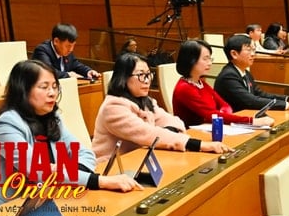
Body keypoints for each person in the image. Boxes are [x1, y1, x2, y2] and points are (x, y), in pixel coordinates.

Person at [0, 60, 142, 208]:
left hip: (47, 201)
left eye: (55, 86)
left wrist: (60, 171)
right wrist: (99, 181)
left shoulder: (52, 117)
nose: (52, 93)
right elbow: (39, 170)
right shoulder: (6, 124)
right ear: (23, 89)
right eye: (44, 87)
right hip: (6, 208)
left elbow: (86, 154)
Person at [92, 53, 231, 162]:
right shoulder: (113, 107)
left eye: (148, 75)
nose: (147, 80)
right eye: (141, 75)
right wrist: (201, 145)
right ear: (123, 77)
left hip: (141, 161)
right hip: (113, 167)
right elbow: (148, 134)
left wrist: (164, 133)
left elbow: (175, 122)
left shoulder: (146, 101)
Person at [172, 40, 274, 128]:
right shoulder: (184, 88)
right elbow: (210, 114)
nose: (209, 63)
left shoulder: (200, 83)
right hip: (195, 135)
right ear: (191, 60)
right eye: (205, 59)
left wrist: (223, 114)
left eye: (210, 58)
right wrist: (252, 121)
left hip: (213, 128)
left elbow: (224, 105)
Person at [214, 34, 289, 112]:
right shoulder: (228, 76)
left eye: (253, 50)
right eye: (249, 50)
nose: (253, 54)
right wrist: (288, 106)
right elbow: (251, 101)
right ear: (234, 54)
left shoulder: (244, 72)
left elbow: (260, 94)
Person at [32, 23, 101, 79]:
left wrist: (88, 71)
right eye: (68, 46)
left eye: (73, 45)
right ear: (56, 41)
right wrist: (68, 75)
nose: (71, 49)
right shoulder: (42, 51)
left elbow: (75, 64)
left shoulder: (67, 52)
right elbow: (48, 72)